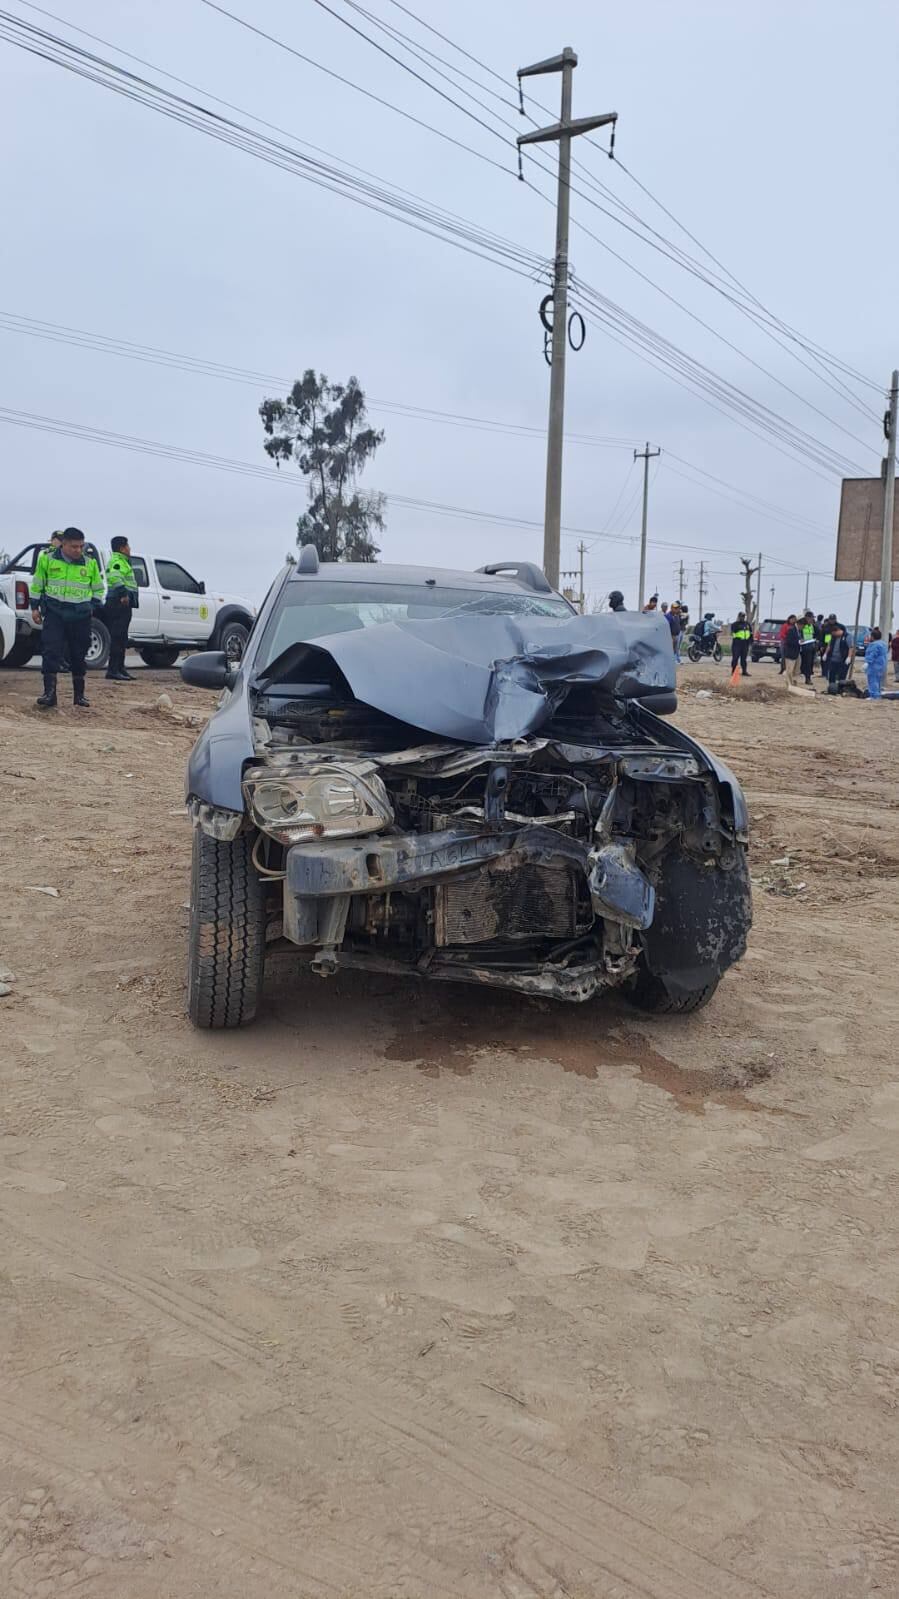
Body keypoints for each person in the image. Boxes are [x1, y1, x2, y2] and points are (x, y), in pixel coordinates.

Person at [30, 526, 104, 709]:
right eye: (74, 546)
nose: (78, 550)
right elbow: (38, 584)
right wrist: (34, 607)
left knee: (78, 654)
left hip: (80, 616)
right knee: (51, 651)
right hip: (55, 613)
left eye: (81, 546)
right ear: (63, 544)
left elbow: (98, 589)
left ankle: (79, 696)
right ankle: (49, 694)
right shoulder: (47, 559)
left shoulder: (90, 563)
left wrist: (92, 607)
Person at [104, 535, 138, 681]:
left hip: (124, 603)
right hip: (118, 602)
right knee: (117, 637)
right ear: (122, 548)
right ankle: (113, 670)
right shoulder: (117, 561)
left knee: (122, 637)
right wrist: (123, 594)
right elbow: (114, 578)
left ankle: (120, 668)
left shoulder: (123, 561)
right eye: (128, 546)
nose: (130, 549)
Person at [823, 621, 849, 694]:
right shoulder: (833, 637)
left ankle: (841, 689)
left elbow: (851, 647)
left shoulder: (847, 636)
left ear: (837, 631)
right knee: (832, 674)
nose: (833, 635)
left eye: (834, 633)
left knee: (842, 676)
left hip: (843, 659)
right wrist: (825, 654)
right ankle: (832, 688)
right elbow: (829, 645)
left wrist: (849, 657)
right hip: (833, 659)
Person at [864, 628, 887, 699]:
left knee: (872, 680)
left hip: (874, 665)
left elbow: (872, 654)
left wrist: (867, 662)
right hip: (881, 665)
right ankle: (877, 694)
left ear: (873, 637)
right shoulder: (883, 644)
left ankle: (874, 696)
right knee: (878, 681)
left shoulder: (874, 645)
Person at [799, 611, 818, 686]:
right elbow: (798, 634)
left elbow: (818, 635)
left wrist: (817, 643)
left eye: (812, 618)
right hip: (802, 647)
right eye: (810, 618)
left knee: (809, 664)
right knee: (802, 664)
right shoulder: (802, 625)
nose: (811, 620)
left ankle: (808, 678)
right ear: (806, 618)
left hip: (811, 648)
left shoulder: (813, 626)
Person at [730, 611, 751, 676]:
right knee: (735, 658)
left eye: (744, 616)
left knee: (744, 659)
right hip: (737, 643)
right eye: (741, 616)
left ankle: (744, 671)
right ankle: (733, 671)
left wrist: (751, 641)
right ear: (738, 617)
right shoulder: (735, 624)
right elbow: (733, 632)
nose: (743, 618)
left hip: (745, 643)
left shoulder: (747, 624)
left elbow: (750, 633)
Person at [782, 614, 801, 685]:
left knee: (796, 669)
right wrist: (798, 642)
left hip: (797, 652)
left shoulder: (799, 631)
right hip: (790, 653)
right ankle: (789, 683)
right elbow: (788, 641)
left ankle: (794, 682)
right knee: (789, 670)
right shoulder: (791, 630)